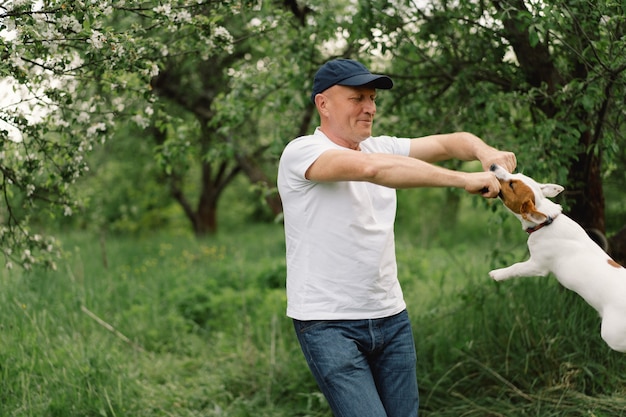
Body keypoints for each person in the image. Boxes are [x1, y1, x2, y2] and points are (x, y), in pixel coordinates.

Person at [277, 59, 516, 417]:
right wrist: (463, 179)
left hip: (391, 317)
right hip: (328, 323)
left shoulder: (379, 145)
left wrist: (485, 152)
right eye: (357, 98)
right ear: (323, 104)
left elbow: (452, 142)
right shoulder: (302, 152)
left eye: (372, 99)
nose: (370, 108)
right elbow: (375, 171)